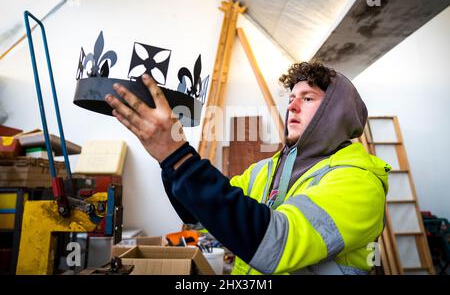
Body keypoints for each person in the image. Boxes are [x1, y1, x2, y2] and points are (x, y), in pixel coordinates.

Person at [105, 61, 390, 275]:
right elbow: (197, 215)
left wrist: (177, 155)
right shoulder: (266, 170)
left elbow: (276, 244)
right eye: (290, 99)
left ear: (335, 111)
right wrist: (167, 159)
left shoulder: (358, 182)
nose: (292, 107)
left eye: (307, 98)